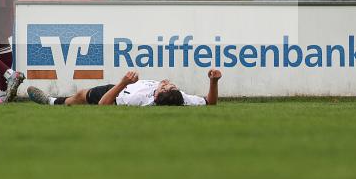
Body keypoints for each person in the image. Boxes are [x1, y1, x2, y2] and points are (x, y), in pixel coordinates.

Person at [27, 70, 221, 106]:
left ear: (156, 96)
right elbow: (209, 102)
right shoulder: (183, 99)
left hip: (116, 94)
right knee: (79, 97)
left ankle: (52, 102)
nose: (166, 82)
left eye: (166, 86)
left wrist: (122, 83)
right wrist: (214, 82)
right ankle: (57, 101)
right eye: (171, 85)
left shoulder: (136, 100)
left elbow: (104, 105)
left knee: (79, 97)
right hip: (124, 88)